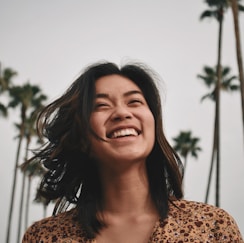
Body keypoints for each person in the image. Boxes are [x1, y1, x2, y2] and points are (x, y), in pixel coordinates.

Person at [22, 61, 243, 243]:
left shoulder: (213, 227)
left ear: (153, 123)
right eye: (101, 105)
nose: (121, 112)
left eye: (134, 101)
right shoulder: (43, 237)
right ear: (81, 135)